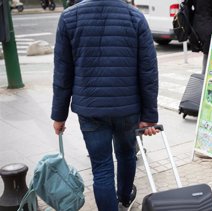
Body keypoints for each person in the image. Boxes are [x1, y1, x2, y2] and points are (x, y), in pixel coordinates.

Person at [50, 0, 159, 210]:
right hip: (128, 107)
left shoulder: (69, 17)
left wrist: (59, 116)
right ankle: (125, 198)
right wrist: (149, 116)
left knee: (101, 168)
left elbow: (62, 73)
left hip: (90, 109)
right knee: (127, 154)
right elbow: (148, 71)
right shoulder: (135, 17)